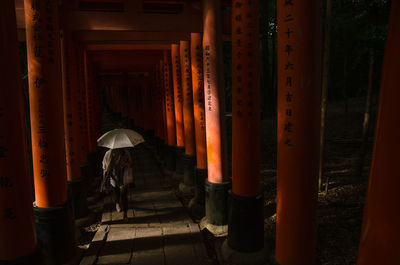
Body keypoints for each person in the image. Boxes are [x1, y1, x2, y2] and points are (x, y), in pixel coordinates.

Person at [101, 148, 133, 220]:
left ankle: (125, 214)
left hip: (124, 176)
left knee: (124, 194)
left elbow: (130, 163)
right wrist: (104, 180)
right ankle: (117, 203)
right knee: (117, 192)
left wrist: (125, 164)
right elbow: (104, 167)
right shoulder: (108, 154)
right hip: (114, 177)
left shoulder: (125, 153)